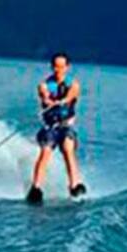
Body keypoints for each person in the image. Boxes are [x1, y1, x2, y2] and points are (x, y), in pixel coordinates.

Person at [27, 52, 86, 204]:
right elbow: (44, 95)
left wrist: (62, 101)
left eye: (61, 66)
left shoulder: (74, 84)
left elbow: (72, 95)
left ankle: (74, 185)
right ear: (52, 67)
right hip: (49, 127)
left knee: (68, 149)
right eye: (55, 66)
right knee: (45, 152)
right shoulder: (44, 85)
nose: (58, 69)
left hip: (65, 126)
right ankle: (36, 188)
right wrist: (48, 101)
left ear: (67, 67)